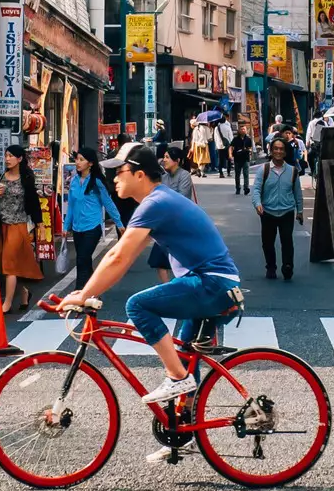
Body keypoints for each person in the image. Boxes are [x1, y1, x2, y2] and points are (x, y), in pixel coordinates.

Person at [62, 144, 242, 406]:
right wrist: (89, 291)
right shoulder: (160, 200)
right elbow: (121, 261)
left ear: (139, 174)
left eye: (119, 171)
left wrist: (84, 294)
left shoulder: (155, 203)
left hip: (212, 283)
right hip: (216, 284)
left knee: (137, 305)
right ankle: (184, 434)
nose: (114, 179)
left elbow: (118, 257)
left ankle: (177, 379)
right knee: (184, 360)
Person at [0, 144, 44, 313]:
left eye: (11, 156)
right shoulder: (0, 178)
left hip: (18, 225)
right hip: (1, 225)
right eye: (6, 156)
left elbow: (33, 201)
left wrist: (39, 223)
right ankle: (25, 292)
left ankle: (7, 304)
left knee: (9, 263)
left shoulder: (26, 178)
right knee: (7, 262)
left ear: (20, 159)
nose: (7, 159)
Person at [63, 149, 124, 278]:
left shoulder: (97, 182)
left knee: (82, 260)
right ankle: (92, 294)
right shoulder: (73, 181)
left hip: (92, 227)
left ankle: (79, 291)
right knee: (84, 261)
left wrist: (119, 223)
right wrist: (65, 226)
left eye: (81, 160)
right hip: (77, 228)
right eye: (77, 159)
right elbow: (71, 206)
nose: (77, 163)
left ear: (90, 163)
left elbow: (108, 203)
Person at [252, 136, 304, 280]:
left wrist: (299, 211)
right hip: (267, 211)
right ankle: (271, 267)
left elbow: (297, 193)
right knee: (267, 242)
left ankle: (288, 267)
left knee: (287, 241)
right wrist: (257, 204)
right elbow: (256, 189)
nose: (278, 151)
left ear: (286, 152)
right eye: (276, 148)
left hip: (287, 211)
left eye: (281, 149)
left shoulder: (293, 171)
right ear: (271, 151)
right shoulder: (264, 170)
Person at [147, 147, 200, 281]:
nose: (164, 160)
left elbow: (182, 198)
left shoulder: (184, 175)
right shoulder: (163, 177)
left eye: (167, 157)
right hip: (165, 225)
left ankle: (184, 287)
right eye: (164, 157)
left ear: (177, 161)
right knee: (159, 261)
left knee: (182, 261)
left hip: (180, 224)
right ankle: (168, 288)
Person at [229, 122, 254, 195]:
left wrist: (250, 152)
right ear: (239, 131)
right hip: (237, 158)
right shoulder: (235, 139)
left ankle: (246, 188)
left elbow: (250, 148)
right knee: (237, 174)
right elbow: (231, 147)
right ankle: (238, 188)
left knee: (246, 174)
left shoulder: (248, 139)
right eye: (241, 129)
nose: (243, 130)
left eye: (244, 129)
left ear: (246, 130)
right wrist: (230, 154)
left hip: (246, 158)